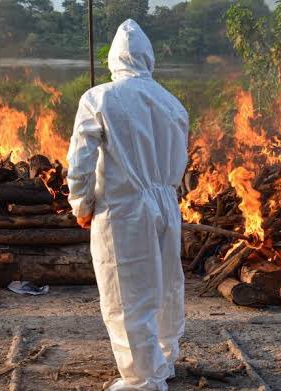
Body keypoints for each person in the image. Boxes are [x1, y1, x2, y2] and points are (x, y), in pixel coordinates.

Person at [66, 19, 189, 391]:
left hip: (123, 207)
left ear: (115, 59)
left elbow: (81, 159)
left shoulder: (99, 98)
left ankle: (142, 380)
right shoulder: (173, 104)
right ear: (148, 58)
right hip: (166, 202)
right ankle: (163, 360)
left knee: (126, 292)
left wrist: (81, 203)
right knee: (165, 286)